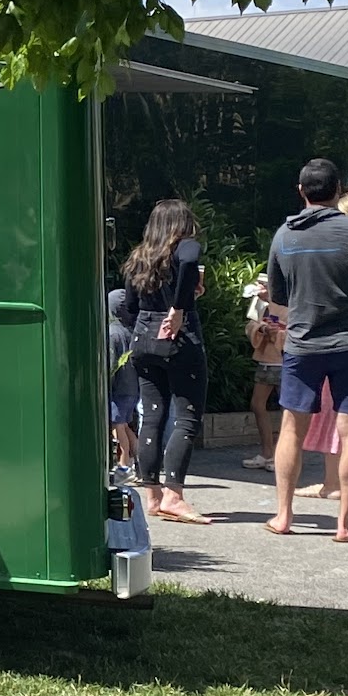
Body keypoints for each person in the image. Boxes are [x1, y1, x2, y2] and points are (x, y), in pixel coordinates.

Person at [266, 158, 348, 542]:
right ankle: (345, 524)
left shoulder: (284, 235)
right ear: (339, 190)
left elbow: (278, 295)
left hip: (302, 343)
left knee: (291, 427)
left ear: (300, 191)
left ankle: (283, 515)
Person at [121, 200, 210, 524]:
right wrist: (179, 306)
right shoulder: (185, 246)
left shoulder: (139, 257)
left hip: (144, 336)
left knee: (152, 416)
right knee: (187, 416)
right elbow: (189, 258)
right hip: (179, 337)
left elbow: (129, 305)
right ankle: (174, 495)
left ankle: (153, 496)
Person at [241, 271, 285, 470]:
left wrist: (279, 333)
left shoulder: (287, 302)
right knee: (257, 404)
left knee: (287, 410)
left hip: (284, 361)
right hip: (265, 358)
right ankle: (266, 452)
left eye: (263, 286)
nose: (260, 290)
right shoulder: (258, 303)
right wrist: (261, 329)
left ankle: (280, 455)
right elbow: (250, 325)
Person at [107, 289, 138, 471]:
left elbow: (111, 364)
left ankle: (123, 463)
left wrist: (106, 384)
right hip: (132, 388)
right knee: (125, 425)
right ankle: (141, 460)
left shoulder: (112, 333)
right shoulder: (130, 331)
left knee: (117, 427)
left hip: (118, 389)